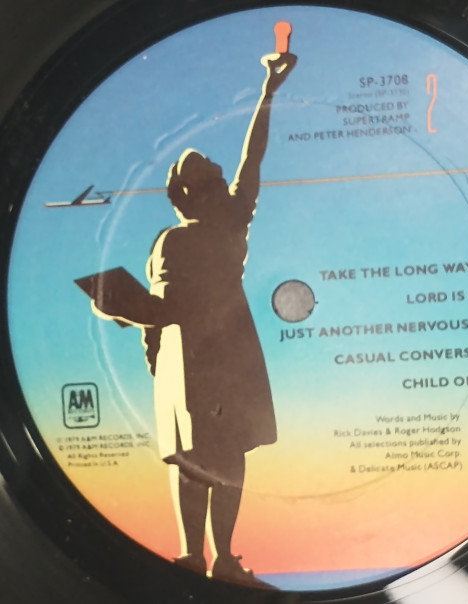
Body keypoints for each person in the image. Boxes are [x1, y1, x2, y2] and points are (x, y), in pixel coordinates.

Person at [92, 51, 296, 586]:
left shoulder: (214, 227)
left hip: (209, 353)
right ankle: (197, 555)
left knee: (215, 456)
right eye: (206, 179)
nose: (215, 182)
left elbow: (253, 157)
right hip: (194, 356)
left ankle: (213, 557)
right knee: (201, 458)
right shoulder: (194, 235)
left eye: (212, 177)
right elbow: (162, 309)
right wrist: (124, 308)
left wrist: (268, 93)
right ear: (189, 194)